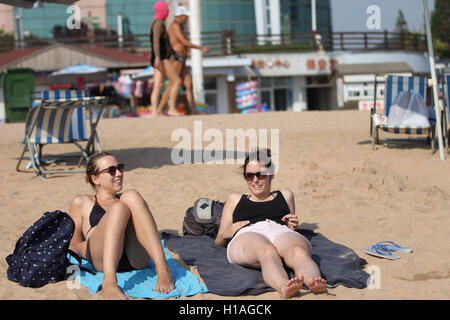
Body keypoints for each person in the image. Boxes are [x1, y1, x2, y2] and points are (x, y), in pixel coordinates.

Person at [214, 149, 327, 299]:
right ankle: (283, 286)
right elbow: (218, 241)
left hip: (279, 231)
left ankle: (313, 281)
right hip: (249, 233)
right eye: (249, 175)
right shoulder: (235, 199)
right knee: (267, 251)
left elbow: (289, 225)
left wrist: (291, 227)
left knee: (298, 251)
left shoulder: (286, 195)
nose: (255, 180)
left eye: (260, 174)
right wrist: (228, 232)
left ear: (271, 174)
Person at [68, 152, 174, 300]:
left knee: (131, 195)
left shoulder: (128, 200)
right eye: (111, 170)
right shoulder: (82, 202)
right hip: (102, 260)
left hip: (136, 259)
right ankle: (109, 282)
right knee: (119, 208)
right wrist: (79, 247)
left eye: (120, 168)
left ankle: (163, 269)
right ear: (95, 178)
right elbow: (72, 244)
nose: (118, 174)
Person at [156, 5, 210, 116]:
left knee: (188, 84)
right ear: (180, 16)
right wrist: (201, 48)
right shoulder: (175, 26)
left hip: (182, 59)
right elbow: (184, 42)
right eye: (186, 16)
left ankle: (193, 110)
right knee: (173, 84)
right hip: (176, 58)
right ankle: (160, 109)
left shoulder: (180, 26)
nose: (187, 19)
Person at [149, 1, 183, 116]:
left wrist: (173, 53)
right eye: (166, 9)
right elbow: (156, 41)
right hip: (161, 59)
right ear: (162, 10)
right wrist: (158, 56)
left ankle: (155, 112)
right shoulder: (158, 23)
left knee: (158, 85)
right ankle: (171, 108)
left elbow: (165, 43)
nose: (168, 11)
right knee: (176, 81)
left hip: (156, 58)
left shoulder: (155, 22)